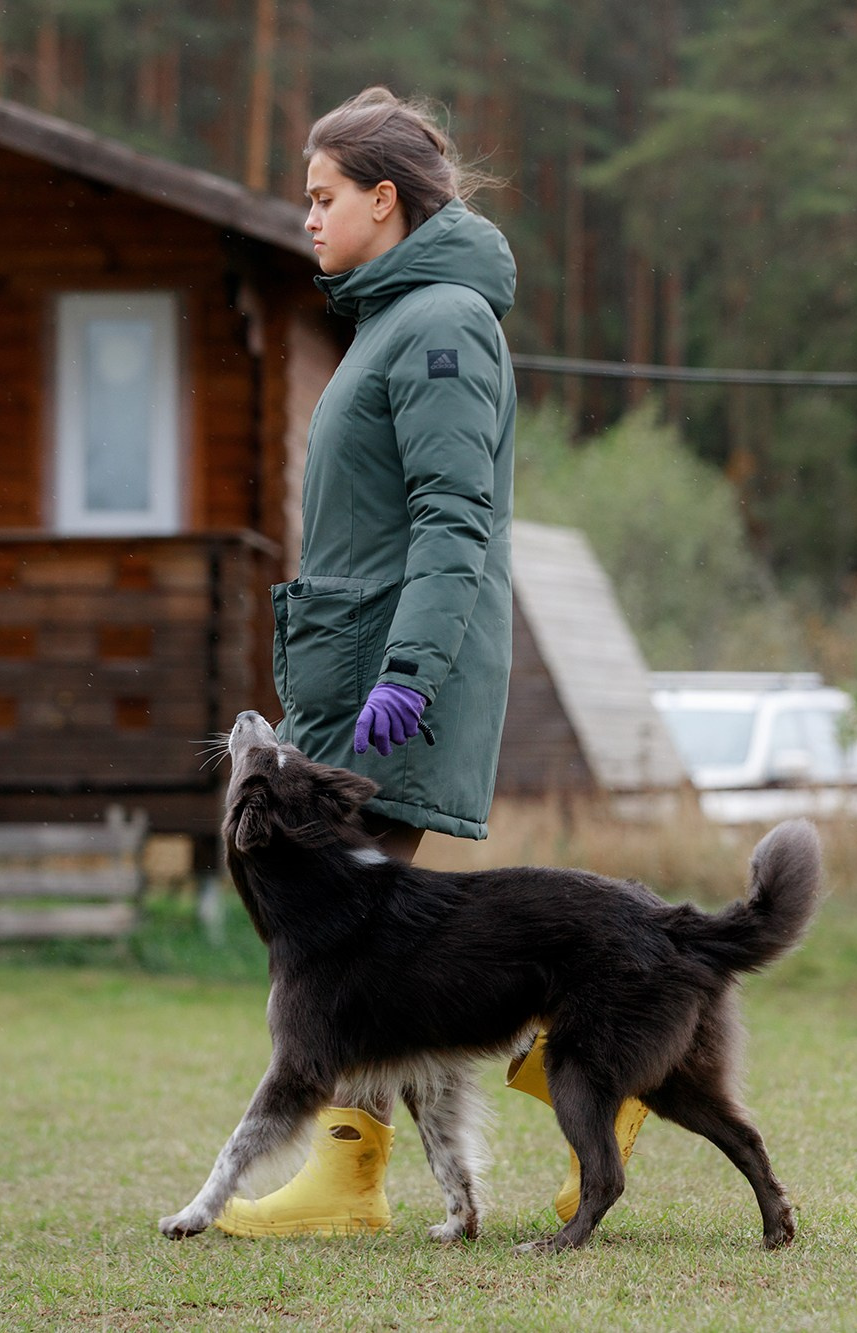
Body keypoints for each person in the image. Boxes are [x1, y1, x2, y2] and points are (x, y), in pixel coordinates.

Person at [214, 87, 643, 1239]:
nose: (305, 218)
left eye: (321, 197)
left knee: (347, 953)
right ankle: (398, 1156)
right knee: (354, 951)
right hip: (353, 668)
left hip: (391, 684)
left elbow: (454, 520)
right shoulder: (394, 321)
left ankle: (353, 1181)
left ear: (383, 201)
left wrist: (405, 671)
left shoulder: (442, 326)